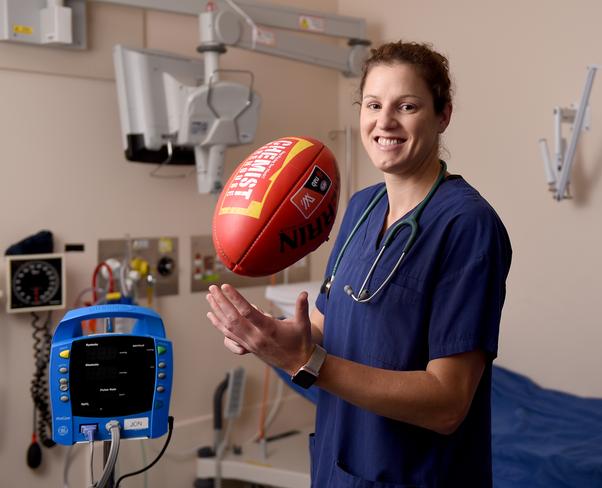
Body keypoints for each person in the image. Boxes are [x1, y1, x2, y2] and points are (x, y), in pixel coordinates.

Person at [206, 41, 512, 487]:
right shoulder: (361, 208)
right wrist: (268, 333)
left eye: (406, 106)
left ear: (442, 115)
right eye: (373, 104)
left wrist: (307, 362)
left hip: (416, 475)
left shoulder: (467, 225)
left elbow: (448, 404)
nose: (384, 122)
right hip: (340, 467)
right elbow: (330, 322)